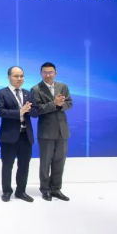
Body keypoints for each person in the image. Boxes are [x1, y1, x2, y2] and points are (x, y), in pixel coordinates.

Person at [0, 66, 39, 203]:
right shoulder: (2, 93)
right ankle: (7, 191)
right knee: (7, 165)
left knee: (24, 165)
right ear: (9, 77)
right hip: (9, 136)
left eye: (21, 76)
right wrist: (20, 111)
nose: (19, 79)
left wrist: (30, 110)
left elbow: (35, 112)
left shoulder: (28, 93)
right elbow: (0, 112)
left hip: (26, 135)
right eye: (16, 76)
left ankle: (21, 191)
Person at [30, 62, 73, 201]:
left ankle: (56, 189)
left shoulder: (63, 86)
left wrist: (61, 105)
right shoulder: (36, 89)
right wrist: (54, 104)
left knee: (59, 162)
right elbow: (36, 110)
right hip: (46, 131)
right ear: (41, 73)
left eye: (50, 72)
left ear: (55, 73)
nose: (48, 75)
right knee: (45, 162)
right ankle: (45, 189)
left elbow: (69, 104)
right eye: (45, 72)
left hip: (62, 130)